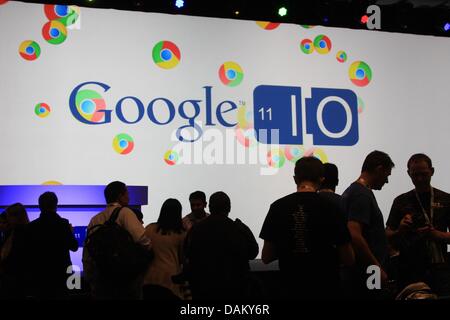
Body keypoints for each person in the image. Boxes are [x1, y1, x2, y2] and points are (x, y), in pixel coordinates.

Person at [260, 156, 354, 299]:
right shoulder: (333, 208)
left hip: (290, 289)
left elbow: (266, 257)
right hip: (326, 289)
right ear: (321, 179)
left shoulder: (277, 207)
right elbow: (348, 258)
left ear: (295, 178)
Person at [386, 153, 450, 295]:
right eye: (415, 175)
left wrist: (436, 235)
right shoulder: (401, 201)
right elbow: (387, 235)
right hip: (409, 269)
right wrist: (400, 230)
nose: (419, 179)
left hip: (440, 269)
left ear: (432, 171)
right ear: (408, 173)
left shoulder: (446, 199)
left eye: (424, 174)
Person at [83, 181, 152, 299]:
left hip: (102, 278)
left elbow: (88, 252)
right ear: (120, 196)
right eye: (127, 193)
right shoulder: (125, 213)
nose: (128, 197)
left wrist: (90, 277)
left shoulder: (95, 219)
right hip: (125, 279)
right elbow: (142, 239)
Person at [185, 191, 258, 300]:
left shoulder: (196, 230)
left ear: (209, 207)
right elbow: (253, 252)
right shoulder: (239, 228)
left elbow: (188, 255)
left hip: (205, 289)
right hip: (235, 289)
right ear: (229, 208)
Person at [341, 150, 394, 299]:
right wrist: (377, 268)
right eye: (387, 175)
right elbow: (355, 234)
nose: (387, 181)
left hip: (362, 271)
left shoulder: (351, 191)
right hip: (367, 272)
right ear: (379, 169)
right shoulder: (361, 194)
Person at [26, 192, 79, 299]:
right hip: (62, 275)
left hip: (40, 276)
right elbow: (74, 247)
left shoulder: (31, 226)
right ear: (56, 205)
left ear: (39, 206)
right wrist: (71, 232)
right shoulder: (63, 224)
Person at [143, 198, 186, 300]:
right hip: (171, 278)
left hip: (150, 277)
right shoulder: (181, 234)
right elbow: (183, 258)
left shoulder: (149, 229)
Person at [0, 203, 29, 298]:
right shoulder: (10, 232)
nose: (7, 220)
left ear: (16, 217)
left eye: (8, 216)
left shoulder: (22, 234)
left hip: (17, 281)